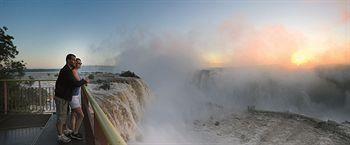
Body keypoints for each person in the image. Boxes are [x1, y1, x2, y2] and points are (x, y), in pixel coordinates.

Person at [54, 54, 88, 143]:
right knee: (61, 117)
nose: (75, 62)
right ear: (68, 60)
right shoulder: (66, 71)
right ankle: (60, 136)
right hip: (61, 97)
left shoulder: (68, 70)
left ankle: (65, 130)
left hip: (65, 97)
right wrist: (84, 81)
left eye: (76, 60)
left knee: (64, 114)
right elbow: (75, 83)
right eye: (73, 60)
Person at [67, 58, 84, 140]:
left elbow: (79, 83)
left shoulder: (75, 72)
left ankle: (73, 131)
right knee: (81, 115)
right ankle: (75, 132)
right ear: (75, 64)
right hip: (73, 97)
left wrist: (83, 82)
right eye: (78, 63)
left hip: (75, 96)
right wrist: (84, 81)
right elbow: (78, 83)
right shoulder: (73, 72)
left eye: (80, 63)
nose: (79, 64)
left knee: (73, 114)